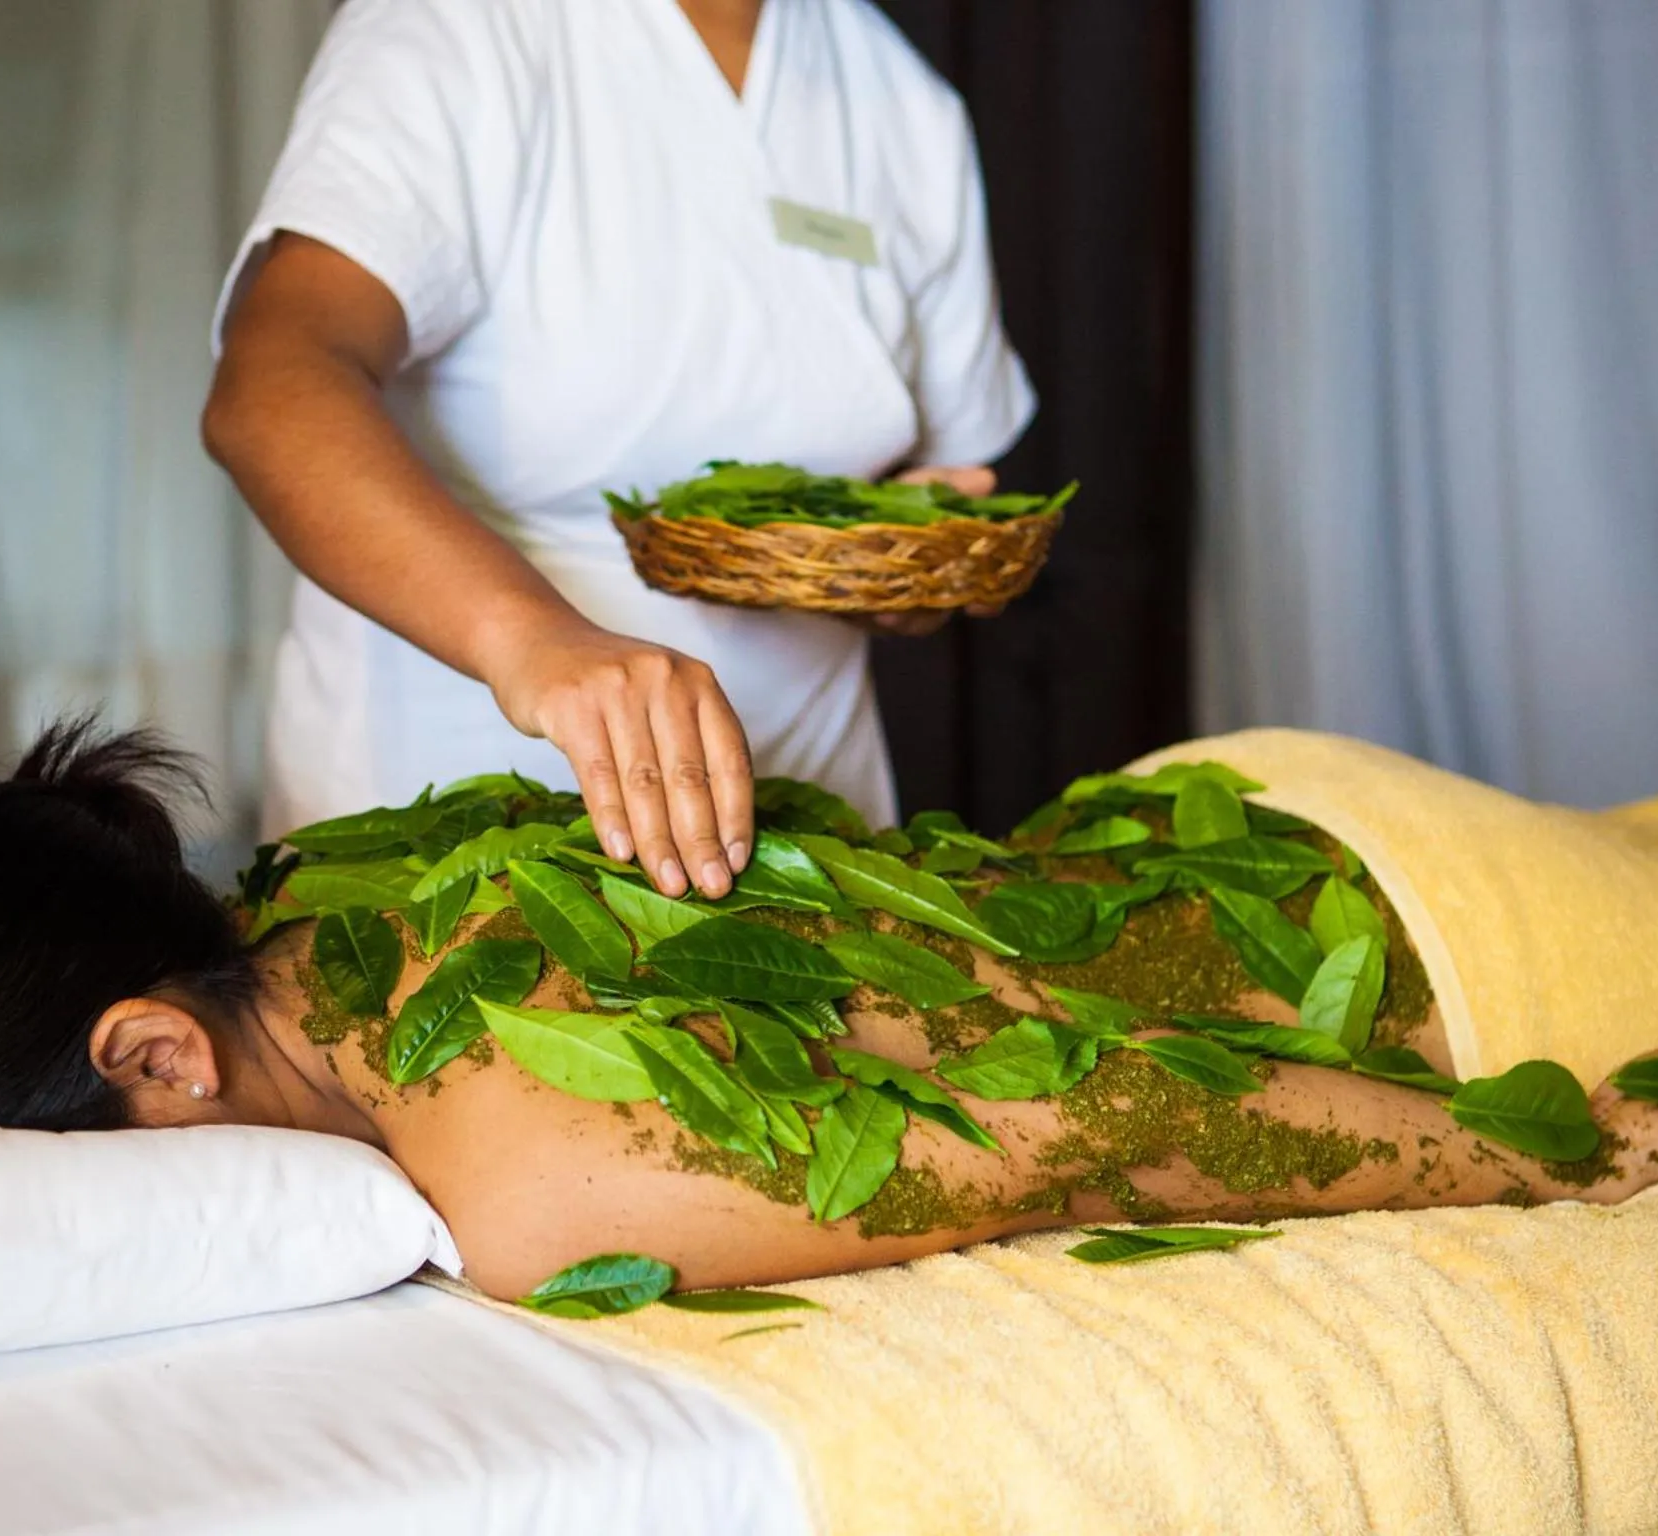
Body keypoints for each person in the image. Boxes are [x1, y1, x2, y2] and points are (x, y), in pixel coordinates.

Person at [0, 721, 1658, 1304]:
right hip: (1225, 810)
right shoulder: (357, 879)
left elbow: (1096, 1124)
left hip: (1423, 952)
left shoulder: (522, 1173)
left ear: (150, 1049)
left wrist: (1576, 1139)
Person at [201, 0, 1036, 905]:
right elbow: (272, 389)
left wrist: (893, 565)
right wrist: (533, 640)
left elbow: (921, 461)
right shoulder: (461, 26)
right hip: (448, 823)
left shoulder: (902, 98)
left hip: (806, 829)